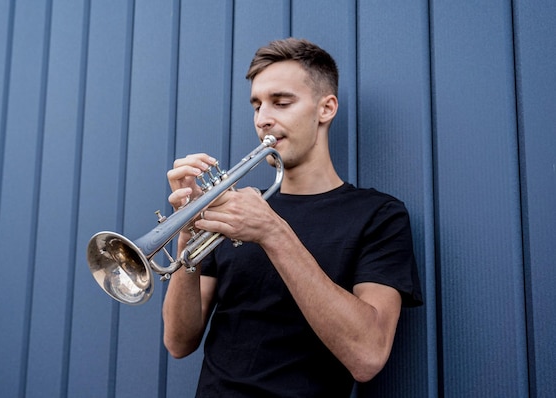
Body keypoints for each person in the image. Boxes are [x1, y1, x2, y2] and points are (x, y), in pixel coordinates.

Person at [162, 38, 423, 397]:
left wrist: (272, 232)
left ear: (326, 108)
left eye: (281, 102)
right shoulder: (234, 212)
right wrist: (187, 240)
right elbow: (179, 342)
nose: (263, 118)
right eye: (256, 106)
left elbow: (368, 354)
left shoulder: (378, 215)